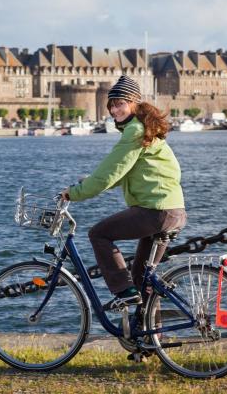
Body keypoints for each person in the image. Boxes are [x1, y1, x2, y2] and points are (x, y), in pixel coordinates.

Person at [61, 75, 187, 311]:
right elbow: (124, 172)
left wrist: (74, 193)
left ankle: (123, 292)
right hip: (171, 210)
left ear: (134, 103)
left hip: (156, 211)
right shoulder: (146, 130)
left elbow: (110, 172)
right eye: (112, 105)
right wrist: (90, 182)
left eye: (120, 103)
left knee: (99, 234)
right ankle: (149, 340)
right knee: (141, 280)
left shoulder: (135, 131)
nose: (115, 110)